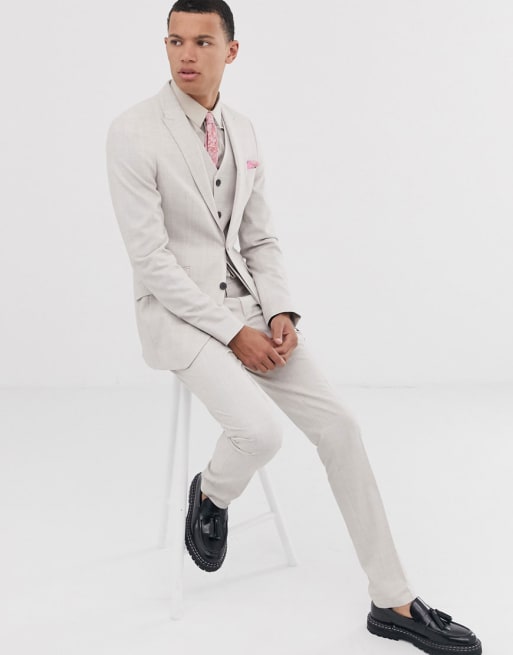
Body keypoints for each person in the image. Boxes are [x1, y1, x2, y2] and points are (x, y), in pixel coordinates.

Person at [105, 2, 481, 653]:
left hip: (249, 308)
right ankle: (212, 492)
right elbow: (152, 261)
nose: (186, 54)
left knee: (341, 427)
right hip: (178, 315)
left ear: (231, 51)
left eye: (202, 41)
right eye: (174, 40)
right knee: (259, 432)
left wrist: (278, 312)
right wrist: (233, 333)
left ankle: (391, 598)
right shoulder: (132, 132)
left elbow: (259, 237)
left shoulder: (243, 131)